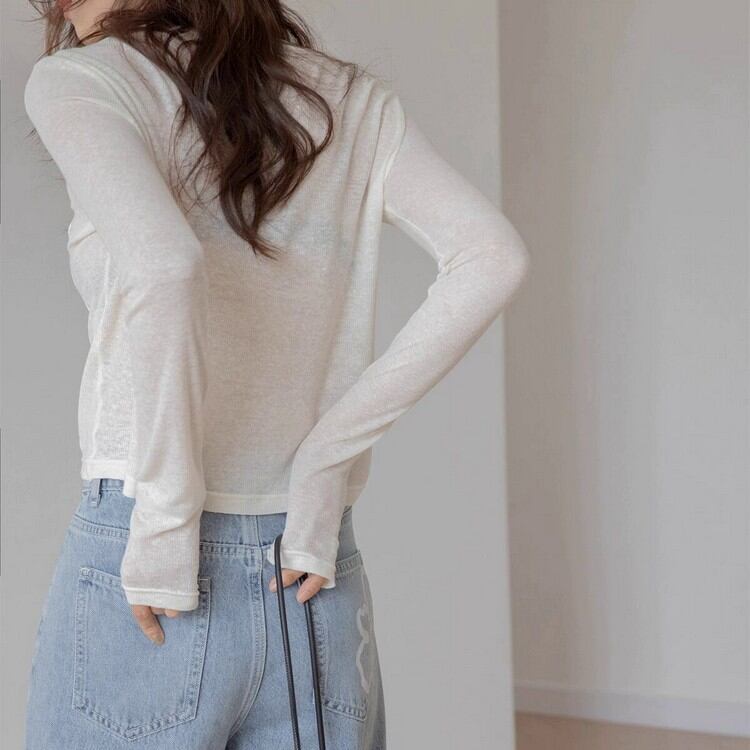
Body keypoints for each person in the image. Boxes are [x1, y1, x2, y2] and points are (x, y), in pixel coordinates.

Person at [22, 1, 530, 748]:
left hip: (152, 558)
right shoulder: (347, 99)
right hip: (309, 562)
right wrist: (323, 461)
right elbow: (492, 256)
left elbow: (163, 267)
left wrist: (166, 521)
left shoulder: (84, 80)